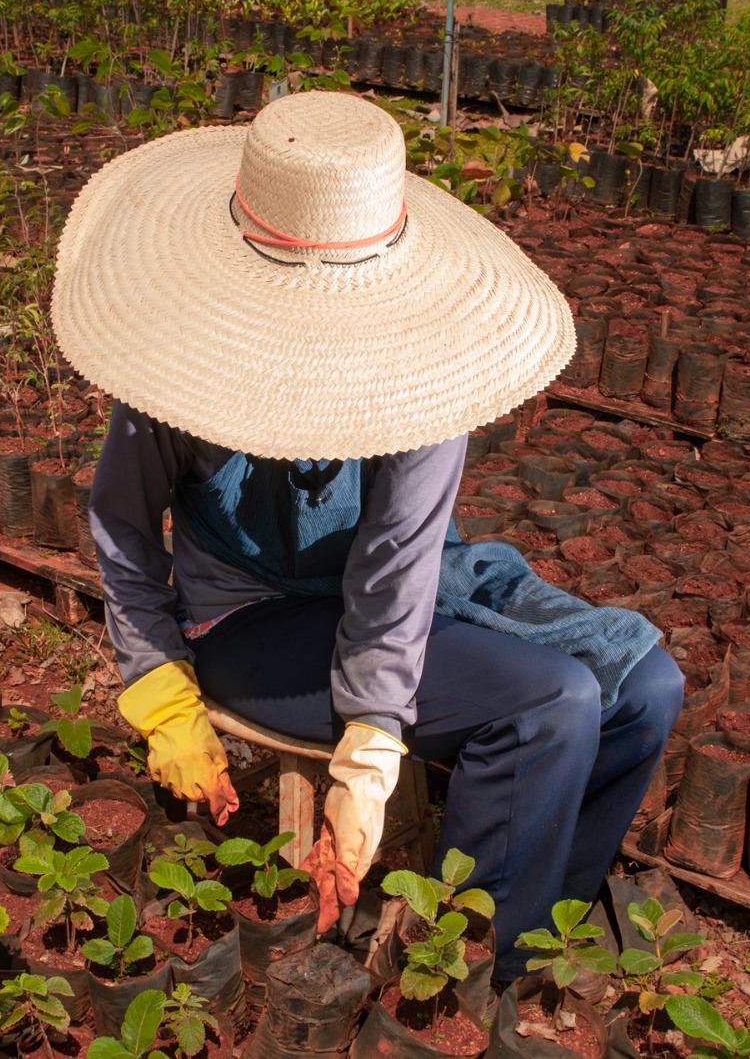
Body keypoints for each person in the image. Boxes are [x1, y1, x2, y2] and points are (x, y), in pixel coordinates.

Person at [51, 90, 684, 980]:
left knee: (648, 685)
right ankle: (471, 968)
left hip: (398, 592)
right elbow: (121, 525)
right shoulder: (179, 365)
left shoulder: (425, 371)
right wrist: (160, 688)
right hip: (252, 618)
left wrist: (369, 752)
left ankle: (545, 923)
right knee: (552, 702)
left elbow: (397, 568)